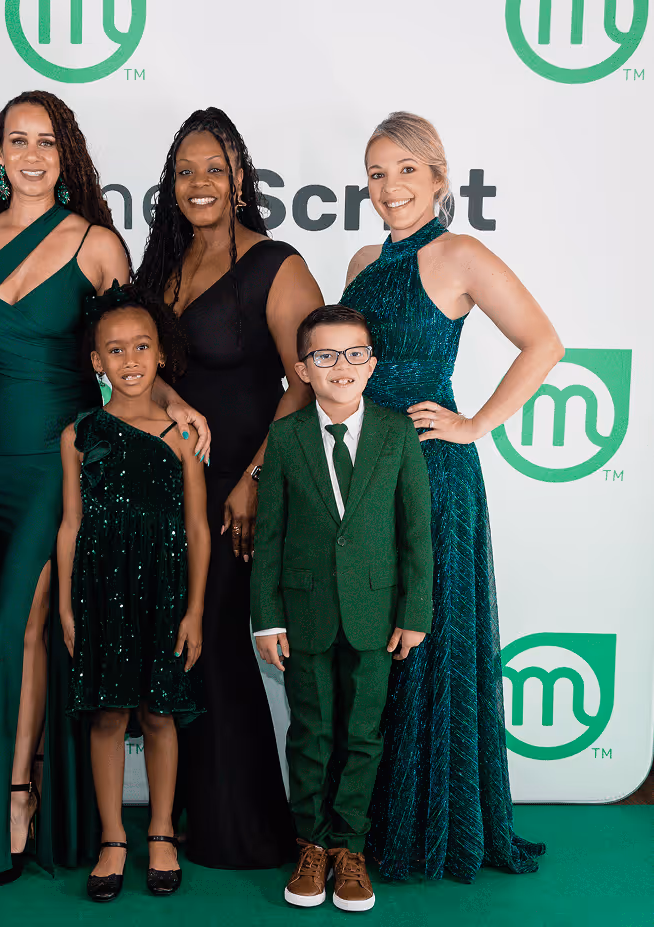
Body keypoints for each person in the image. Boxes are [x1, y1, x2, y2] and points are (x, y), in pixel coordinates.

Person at [0, 90, 209, 886]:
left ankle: (19, 794)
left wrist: (175, 403)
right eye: (16, 140)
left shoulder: (97, 243)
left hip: (57, 464)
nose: (31, 155)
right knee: (8, 623)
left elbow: (134, 348)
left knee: (18, 633)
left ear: (67, 158)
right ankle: (40, 802)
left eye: (46, 142)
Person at [341, 111, 562, 881]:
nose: (389, 186)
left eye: (405, 169)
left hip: (435, 475)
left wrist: (476, 425)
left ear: (439, 177)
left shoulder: (461, 254)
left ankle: (428, 823)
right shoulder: (362, 260)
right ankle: (359, 822)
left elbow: (545, 342)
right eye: (376, 172)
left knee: (428, 640)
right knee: (372, 644)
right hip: (367, 474)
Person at [135, 107, 324, 869]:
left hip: (241, 487)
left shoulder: (277, 263)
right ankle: (191, 810)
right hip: (167, 485)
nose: (200, 183)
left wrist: (252, 478)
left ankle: (245, 828)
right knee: (181, 644)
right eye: (185, 171)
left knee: (213, 639)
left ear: (240, 174)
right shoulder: (163, 269)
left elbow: (306, 382)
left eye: (214, 167)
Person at [252, 305, 433, 913]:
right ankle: (311, 847)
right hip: (302, 612)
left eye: (354, 353)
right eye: (324, 356)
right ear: (304, 368)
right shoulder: (284, 438)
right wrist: (266, 617)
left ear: (372, 362)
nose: (341, 366)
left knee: (362, 734)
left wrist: (415, 611)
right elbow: (269, 534)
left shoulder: (396, 433)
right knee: (311, 732)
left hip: (377, 616)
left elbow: (417, 532)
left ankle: (350, 850)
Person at [57, 285, 210, 902]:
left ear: (161, 355)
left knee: (160, 712)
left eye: (142, 346)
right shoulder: (78, 434)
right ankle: (113, 839)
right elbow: (70, 524)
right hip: (100, 587)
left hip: (167, 588)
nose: (130, 360)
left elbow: (198, 528)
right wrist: (67, 605)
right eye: (115, 350)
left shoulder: (182, 434)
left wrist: (196, 609)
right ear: (96, 361)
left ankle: (163, 832)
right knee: (109, 714)